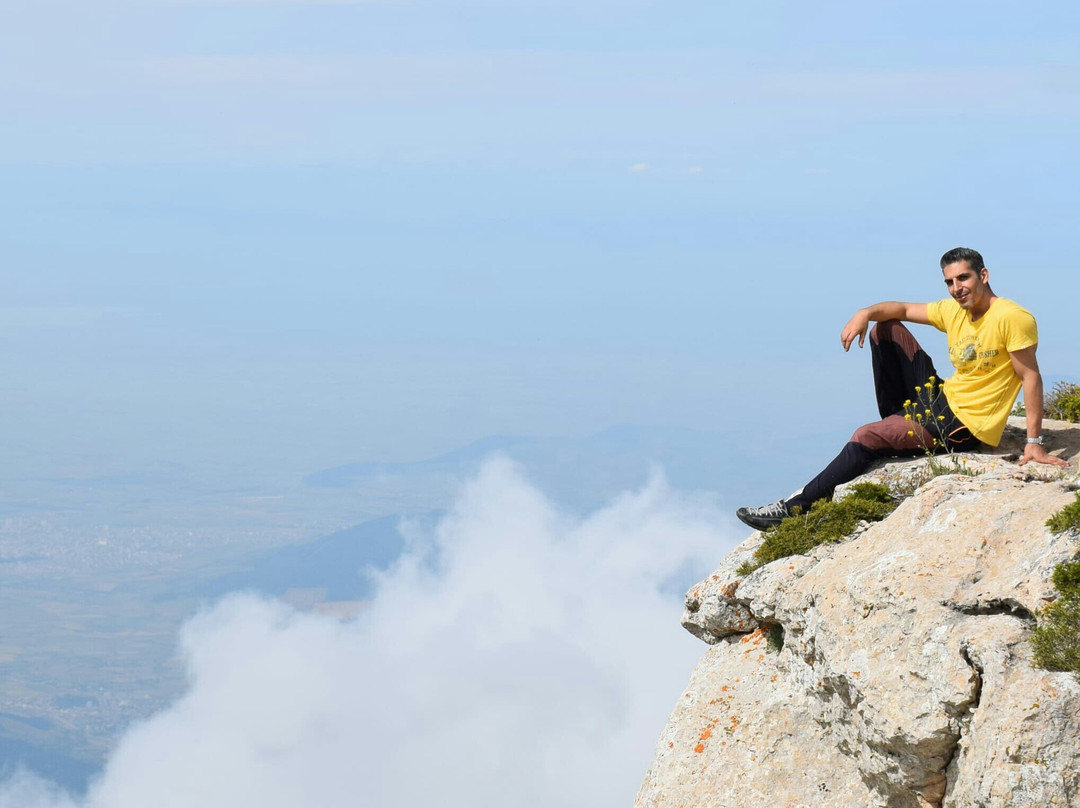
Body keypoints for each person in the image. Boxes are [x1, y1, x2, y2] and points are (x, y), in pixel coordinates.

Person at [736, 247, 1068, 531]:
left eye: (963, 279)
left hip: (962, 425)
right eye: (950, 282)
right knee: (886, 329)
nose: (957, 288)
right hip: (940, 397)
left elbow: (1031, 378)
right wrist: (863, 313)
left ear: (983, 275)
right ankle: (898, 421)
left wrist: (1033, 444)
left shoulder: (1012, 317)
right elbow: (902, 309)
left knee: (865, 436)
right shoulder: (954, 310)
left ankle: (798, 507)